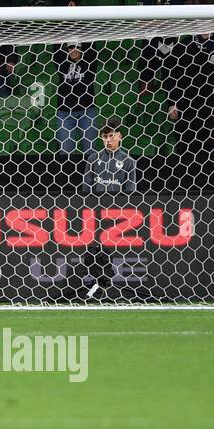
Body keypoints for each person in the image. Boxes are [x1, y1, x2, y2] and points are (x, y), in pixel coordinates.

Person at [81, 120, 138, 300]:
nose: (108, 139)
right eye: (105, 136)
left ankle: (105, 285)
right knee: (92, 253)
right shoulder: (93, 158)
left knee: (104, 251)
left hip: (117, 214)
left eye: (112, 135)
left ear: (120, 136)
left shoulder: (128, 161)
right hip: (95, 214)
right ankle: (100, 285)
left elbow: (130, 191)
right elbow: (86, 187)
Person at [56, 42, 99, 154]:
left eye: (77, 47)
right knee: (65, 153)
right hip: (65, 114)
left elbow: (92, 46)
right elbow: (56, 48)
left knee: (91, 153)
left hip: (87, 112)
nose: (73, 50)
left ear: (82, 48)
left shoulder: (89, 62)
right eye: (70, 47)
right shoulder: (62, 63)